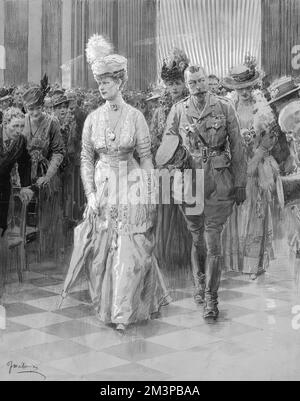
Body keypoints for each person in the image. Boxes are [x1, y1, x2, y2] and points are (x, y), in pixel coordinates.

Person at [61, 34, 170, 331]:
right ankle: (106, 308)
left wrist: (148, 192)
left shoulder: (136, 117)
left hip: (130, 183)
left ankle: (123, 312)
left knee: (128, 248)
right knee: (99, 253)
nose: (102, 87)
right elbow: (85, 158)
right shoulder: (93, 119)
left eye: (108, 81)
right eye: (99, 82)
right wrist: (91, 194)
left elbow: (146, 157)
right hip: (103, 185)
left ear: (120, 82)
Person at [156, 65, 247, 319]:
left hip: (219, 180)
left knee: (213, 242)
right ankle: (199, 283)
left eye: (201, 80)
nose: (197, 86)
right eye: (192, 82)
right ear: (187, 85)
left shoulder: (224, 107)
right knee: (197, 238)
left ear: (207, 81)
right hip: (189, 182)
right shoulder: (178, 110)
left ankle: (211, 298)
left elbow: (238, 147)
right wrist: (177, 160)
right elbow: (167, 144)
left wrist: (240, 183)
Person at [149, 48, 191, 281]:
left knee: (186, 210)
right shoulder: (158, 112)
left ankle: (186, 256)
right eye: (170, 83)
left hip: (186, 168)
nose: (174, 88)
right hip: (165, 169)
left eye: (177, 83)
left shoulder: (190, 108)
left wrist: (182, 163)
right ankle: (166, 255)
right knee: (165, 212)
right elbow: (155, 143)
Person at [22, 80, 65, 261]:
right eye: (30, 109)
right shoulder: (21, 121)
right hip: (24, 171)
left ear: (43, 105)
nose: (34, 113)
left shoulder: (52, 122)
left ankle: (47, 249)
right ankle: (21, 247)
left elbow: (59, 151)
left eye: (37, 108)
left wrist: (48, 175)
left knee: (49, 206)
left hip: (45, 170)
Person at [239, 104, 284, 279]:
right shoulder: (257, 153)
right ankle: (251, 266)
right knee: (254, 228)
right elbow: (249, 171)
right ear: (260, 136)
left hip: (263, 196)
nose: (273, 140)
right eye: (270, 137)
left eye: (275, 137)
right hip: (253, 194)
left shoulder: (267, 153)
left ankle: (260, 264)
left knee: (264, 227)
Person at [0, 108, 33, 298]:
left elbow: (25, 162)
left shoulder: (20, 140)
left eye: (21, 126)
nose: (19, 130)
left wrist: (26, 186)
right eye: (15, 126)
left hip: (3, 188)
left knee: (2, 229)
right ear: (5, 124)